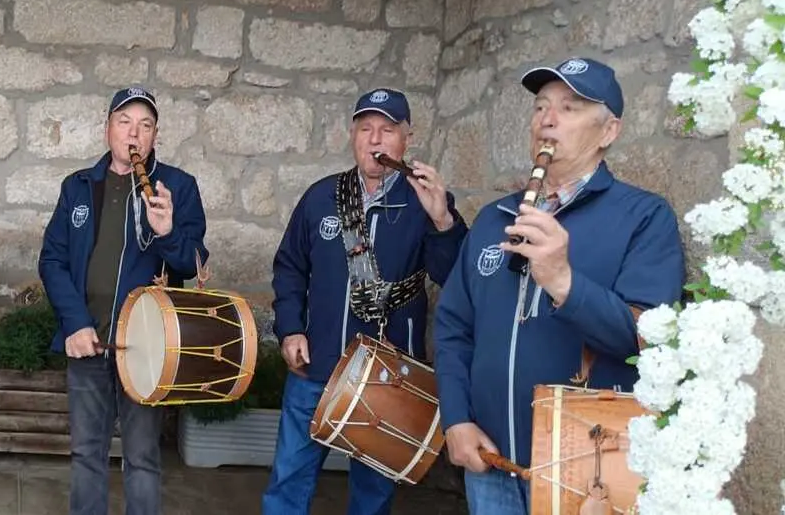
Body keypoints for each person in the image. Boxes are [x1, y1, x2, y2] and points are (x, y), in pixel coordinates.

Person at [432, 57, 686, 514]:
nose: (547, 119)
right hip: (489, 463)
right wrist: (456, 419)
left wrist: (564, 282)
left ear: (609, 132)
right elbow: (454, 329)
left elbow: (650, 340)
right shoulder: (495, 218)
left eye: (569, 108)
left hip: (585, 470)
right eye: (541, 107)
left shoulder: (644, 218)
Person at [261, 88, 468, 515]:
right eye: (365, 129)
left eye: (387, 130)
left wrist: (443, 220)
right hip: (315, 366)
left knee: (373, 495)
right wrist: (290, 329)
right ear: (352, 136)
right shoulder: (321, 197)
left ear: (406, 140)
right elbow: (289, 268)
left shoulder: (424, 201)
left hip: (389, 377)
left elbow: (453, 277)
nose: (375, 140)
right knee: (288, 482)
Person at [38, 86, 209, 515]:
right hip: (88, 340)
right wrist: (75, 323)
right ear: (107, 130)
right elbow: (52, 260)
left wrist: (168, 233)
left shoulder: (179, 188)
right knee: (87, 456)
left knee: (144, 460)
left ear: (154, 136)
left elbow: (195, 264)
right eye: (125, 122)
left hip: (148, 352)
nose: (134, 133)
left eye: (145, 125)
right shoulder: (77, 187)